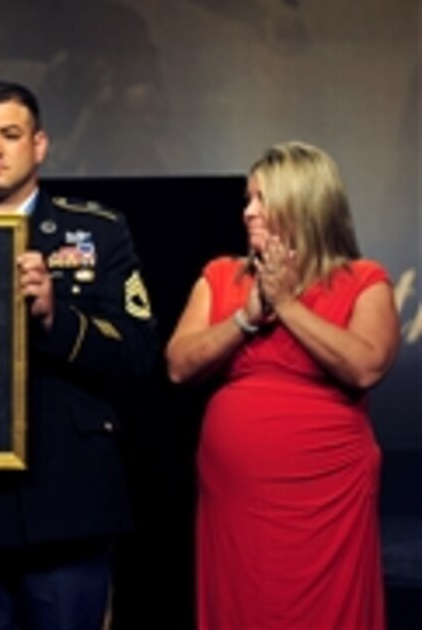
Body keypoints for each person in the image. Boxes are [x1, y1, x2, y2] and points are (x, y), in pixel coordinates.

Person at [0, 81, 158, 629]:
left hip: (68, 503)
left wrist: (54, 318)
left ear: (39, 145)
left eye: (10, 134)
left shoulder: (98, 231)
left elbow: (140, 353)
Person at [165, 141, 398, 629]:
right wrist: (247, 317)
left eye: (261, 199)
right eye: (247, 199)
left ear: (304, 203)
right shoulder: (223, 275)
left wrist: (287, 305)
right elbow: (179, 365)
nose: (247, 211)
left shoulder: (363, 279)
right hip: (237, 499)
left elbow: (366, 366)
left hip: (328, 495)